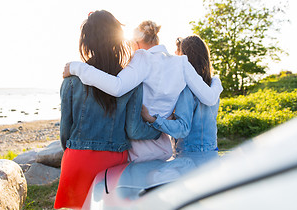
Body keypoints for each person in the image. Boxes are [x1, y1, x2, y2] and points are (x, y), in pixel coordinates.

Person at [63, 21, 223, 162]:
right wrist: (217, 82)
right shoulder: (182, 63)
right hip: (163, 144)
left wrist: (78, 67)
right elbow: (209, 98)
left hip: (137, 147)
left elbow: (117, 87)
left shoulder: (142, 58)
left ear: (137, 42)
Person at [54, 10, 161, 210]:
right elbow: (134, 130)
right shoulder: (131, 79)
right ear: (117, 39)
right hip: (113, 164)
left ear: (86, 42)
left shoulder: (71, 79)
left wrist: (74, 150)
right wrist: (161, 129)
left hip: (76, 159)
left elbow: (65, 131)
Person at [142, 35, 220, 166]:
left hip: (190, 158)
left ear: (186, 57)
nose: (174, 56)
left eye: (178, 53)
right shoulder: (212, 85)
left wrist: (152, 119)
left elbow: (183, 129)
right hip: (212, 153)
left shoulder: (186, 89)